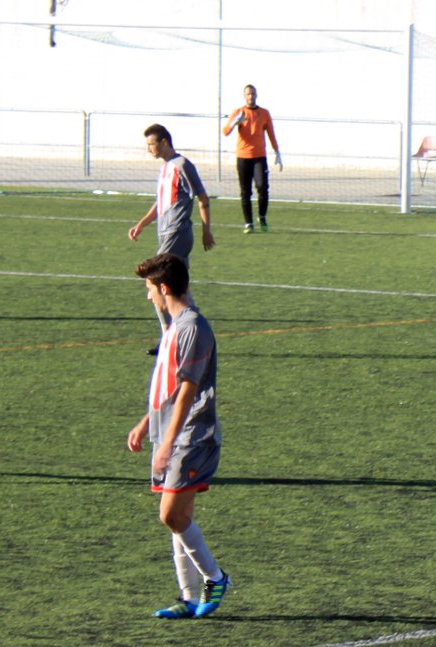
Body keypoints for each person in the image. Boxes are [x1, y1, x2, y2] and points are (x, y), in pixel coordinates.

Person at [127, 252, 230, 619]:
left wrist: (168, 442)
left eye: (150, 288)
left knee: (170, 515)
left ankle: (215, 578)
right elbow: (169, 388)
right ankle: (188, 598)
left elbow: (188, 389)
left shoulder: (192, 328)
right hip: (172, 433)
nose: (148, 295)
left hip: (192, 436)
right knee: (180, 518)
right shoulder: (175, 327)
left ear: (165, 288)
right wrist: (147, 422)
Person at [128, 124, 215, 350]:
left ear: (164, 142)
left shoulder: (182, 165)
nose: (148, 149)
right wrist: (142, 224)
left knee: (155, 279)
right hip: (168, 233)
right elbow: (162, 201)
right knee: (179, 286)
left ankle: (169, 337)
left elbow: (203, 198)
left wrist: (206, 230)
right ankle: (193, 333)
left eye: (151, 144)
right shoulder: (166, 167)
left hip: (177, 232)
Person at [222, 84, 281, 234]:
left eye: (253, 94)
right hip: (243, 157)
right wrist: (235, 122)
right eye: (248, 94)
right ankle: (248, 223)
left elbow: (271, 133)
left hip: (259, 157)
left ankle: (262, 216)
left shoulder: (264, 113)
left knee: (262, 187)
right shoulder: (239, 112)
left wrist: (277, 152)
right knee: (245, 191)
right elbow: (225, 132)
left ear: (256, 95)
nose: (250, 96)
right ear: (244, 96)